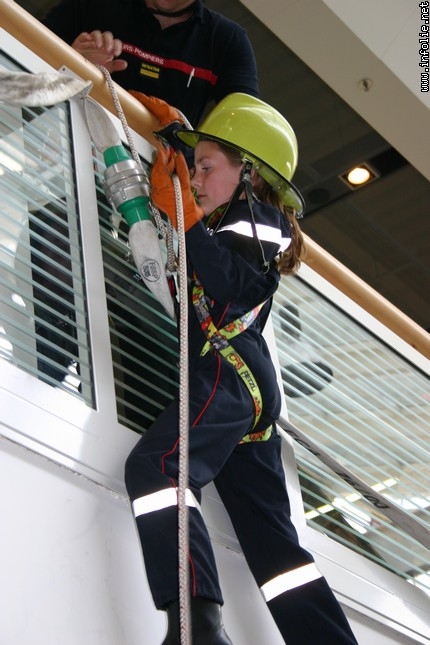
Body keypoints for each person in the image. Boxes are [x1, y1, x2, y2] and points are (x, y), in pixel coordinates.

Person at [124, 93, 358, 644]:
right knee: (275, 546)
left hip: (232, 373)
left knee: (160, 468)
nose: (198, 179)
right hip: (243, 386)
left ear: (250, 174)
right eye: (196, 167)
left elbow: (231, 283)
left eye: (207, 167)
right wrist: (179, 144)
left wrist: (184, 216)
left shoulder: (261, 222)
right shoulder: (228, 222)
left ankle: (199, 623)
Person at [38, 0, 260, 428]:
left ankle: (128, 422)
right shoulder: (94, 5)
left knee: (143, 322)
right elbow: (21, 57)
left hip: (157, 222)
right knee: (51, 244)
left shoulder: (226, 40)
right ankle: (44, 387)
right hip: (71, 182)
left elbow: (242, 141)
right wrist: (70, 58)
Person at [41, 0, 260, 128]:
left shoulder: (228, 41)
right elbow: (24, 52)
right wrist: (72, 62)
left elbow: (246, 125)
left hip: (155, 184)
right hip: (62, 149)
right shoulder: (94, 4)